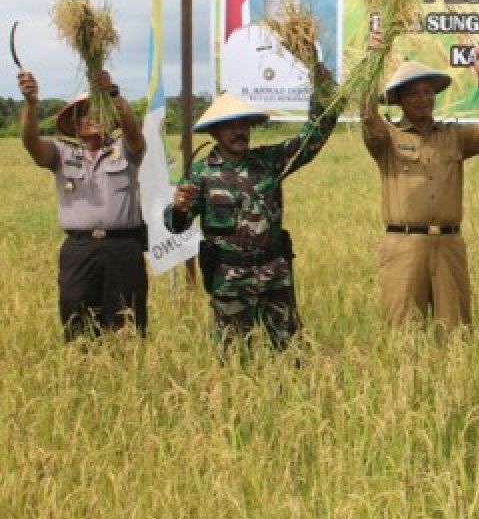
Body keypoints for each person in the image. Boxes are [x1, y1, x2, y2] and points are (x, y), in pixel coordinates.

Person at [166, 62, 341, 350]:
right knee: (232, 362)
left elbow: (314, 136)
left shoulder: (269, 161)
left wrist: (322, 84)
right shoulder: (201, 174)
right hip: (230, 282)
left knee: (291, 355)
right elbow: (175, 225)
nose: (239, 131)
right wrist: (180, 208)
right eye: (230, 126)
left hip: (275, 276)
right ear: (215, 133)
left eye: (243, 124)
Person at [361, 39, 479, 331]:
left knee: (455, 334)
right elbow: (367, 116)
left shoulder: (453, 135)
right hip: (403, 245)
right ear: (399, 99)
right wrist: (372, 64)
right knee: (402, 331)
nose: (424, 98)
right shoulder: (387, 138)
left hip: (449, 244)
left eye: (428, 92)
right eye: (414, 93)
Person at [17, 68, 148, 341]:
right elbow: (31, 143)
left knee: (127, 324)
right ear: (75, 124)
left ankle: (126, 376)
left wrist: (113, 94)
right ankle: (82, 372)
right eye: (85, 114)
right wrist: (31, 104)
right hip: (80, 249)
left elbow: (135, 134)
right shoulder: (62, 154)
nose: (92, 119)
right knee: (77, 318)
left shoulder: (125, 149)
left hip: (123, 248)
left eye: (98, 112)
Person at [221, 0, 316, 104]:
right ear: (264, 1)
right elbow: (229, 91)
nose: (283, 5)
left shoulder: (311, 45)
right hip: (255, 121)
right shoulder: (242, 39)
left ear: (299, 2)